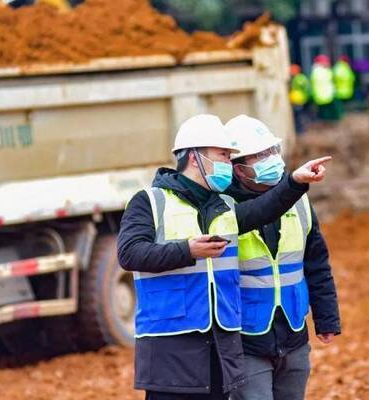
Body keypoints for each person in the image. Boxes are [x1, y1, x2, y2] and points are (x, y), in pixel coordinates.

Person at [118, 114, 332, 400]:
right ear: (195, 158)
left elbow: (264, 209)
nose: (228, 164)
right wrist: (187, 250)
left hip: (218, 351)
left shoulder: (223, 208)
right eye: (222, 155)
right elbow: (130, 253)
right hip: (170, 351)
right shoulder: (151, 202)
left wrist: (294, 181)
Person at [224, 115, 341, 400]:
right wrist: (294, 185)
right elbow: (258, 212)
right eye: (260, 155)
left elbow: (316, 263)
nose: (272, 159)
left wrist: (326, 319)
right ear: (238, 169)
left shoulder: (299, 202)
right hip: (245, 340)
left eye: (272, 151)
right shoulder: (222, 208)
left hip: (292, 334)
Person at [310, 55, 342, 121]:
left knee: (325, 113)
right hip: (324, 95)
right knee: (327, 113)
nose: (327, 63)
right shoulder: (319, 71)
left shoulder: (319, 70)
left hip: (325, 95)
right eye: (326, 62)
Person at [289, 64, 310, 135]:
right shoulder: (297, 78)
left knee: (298, 116)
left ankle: (300, 130)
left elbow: (305, 88)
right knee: (298, 115)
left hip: (298, 100)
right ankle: (300, 129)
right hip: (297, 99)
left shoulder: (299, 78)